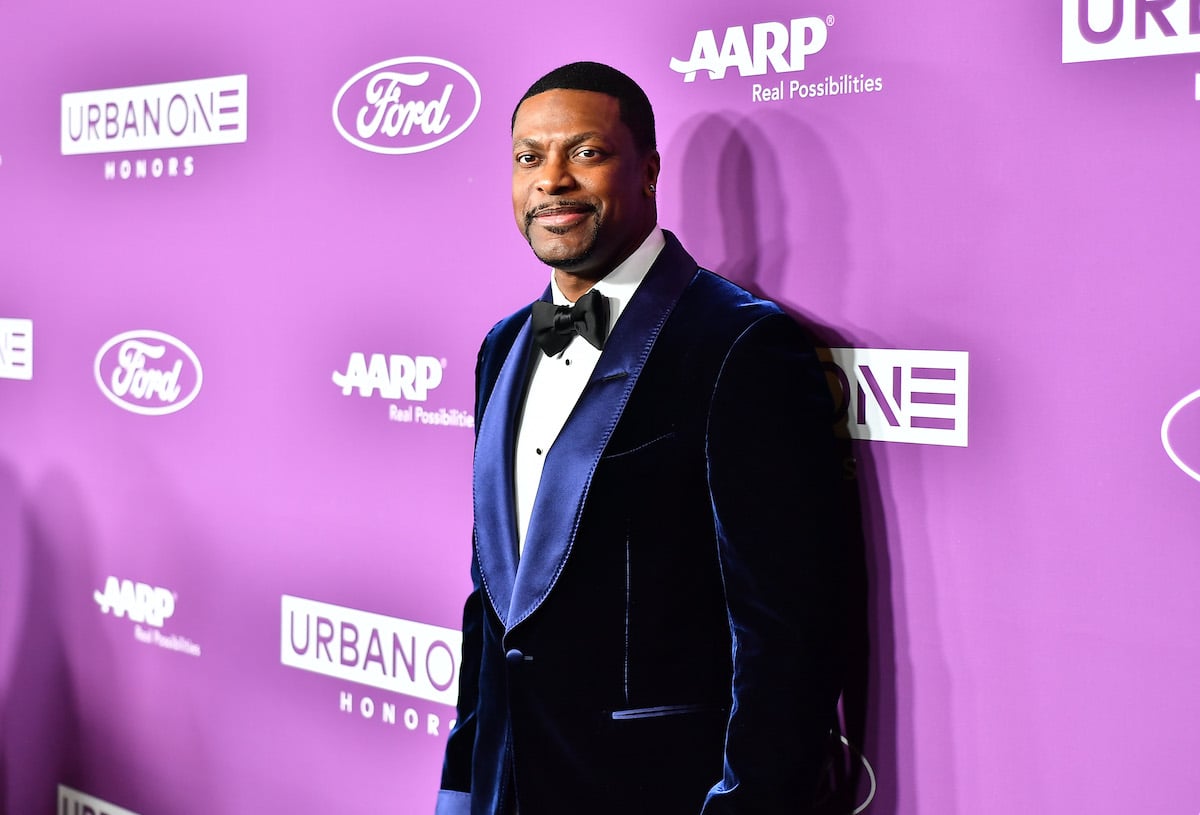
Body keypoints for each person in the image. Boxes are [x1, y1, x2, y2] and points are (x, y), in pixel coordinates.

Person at [437, 61, 847, 815]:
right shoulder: (501, 347)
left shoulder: (736, 345)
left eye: (584, 153)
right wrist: (464, 785)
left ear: (649, 171)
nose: (551, 180)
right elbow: (492, 604)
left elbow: (783, 635)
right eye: (529, 157)